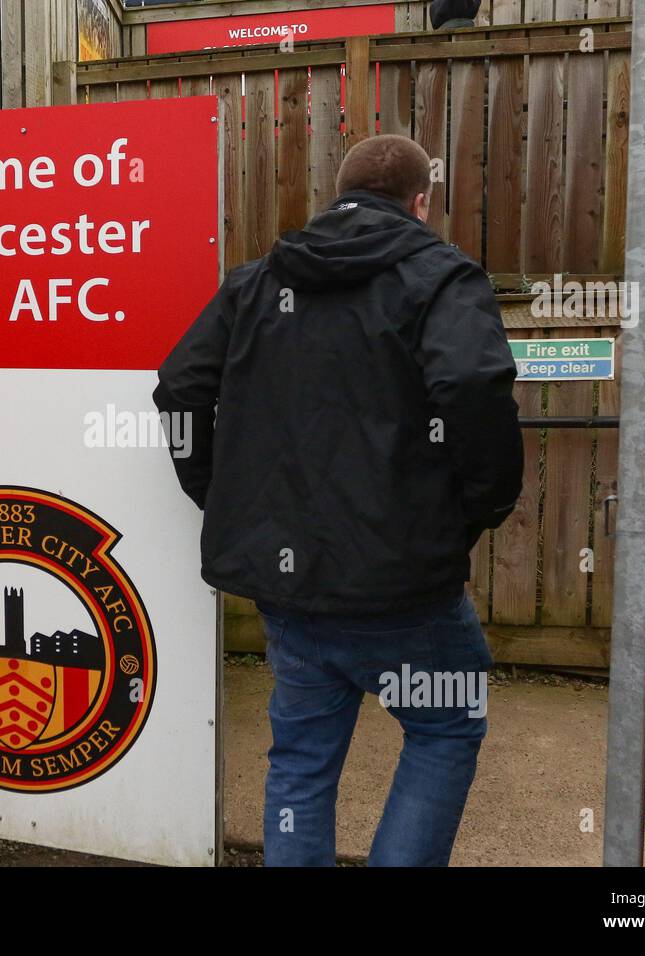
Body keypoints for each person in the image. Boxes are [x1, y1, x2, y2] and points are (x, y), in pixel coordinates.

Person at [152, 134, 523, 866]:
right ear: (422, 202)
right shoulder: (443, 279)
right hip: (404, 586)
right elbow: (474, 389)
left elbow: (179, 389)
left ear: (337, 196)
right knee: (445, 727)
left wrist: (218, 495)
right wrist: (475, 512)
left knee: (302, 757)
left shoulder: (255, 283)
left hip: (289, 585)